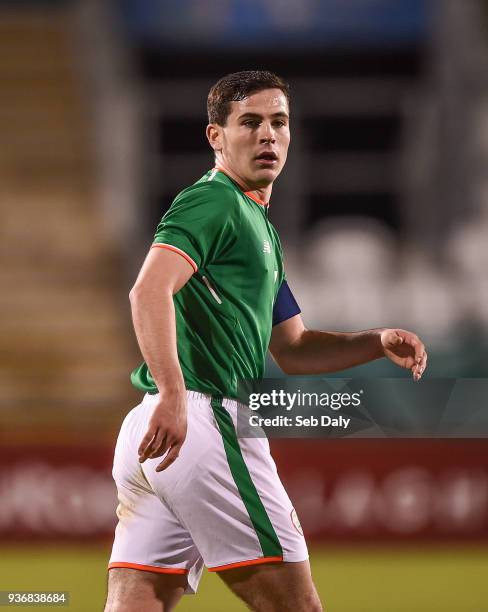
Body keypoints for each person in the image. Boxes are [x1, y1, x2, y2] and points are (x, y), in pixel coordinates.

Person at [104, 70, 427, 612]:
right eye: (249, 122)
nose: (267, 135)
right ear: (216, 137)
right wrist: (176, 395)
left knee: (140, 600)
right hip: (201, 424)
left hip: (154, 433)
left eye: (278, 122)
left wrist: (374, 341)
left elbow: (293, 348)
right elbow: (148, 290)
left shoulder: (259, 228)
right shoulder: (215, 203)